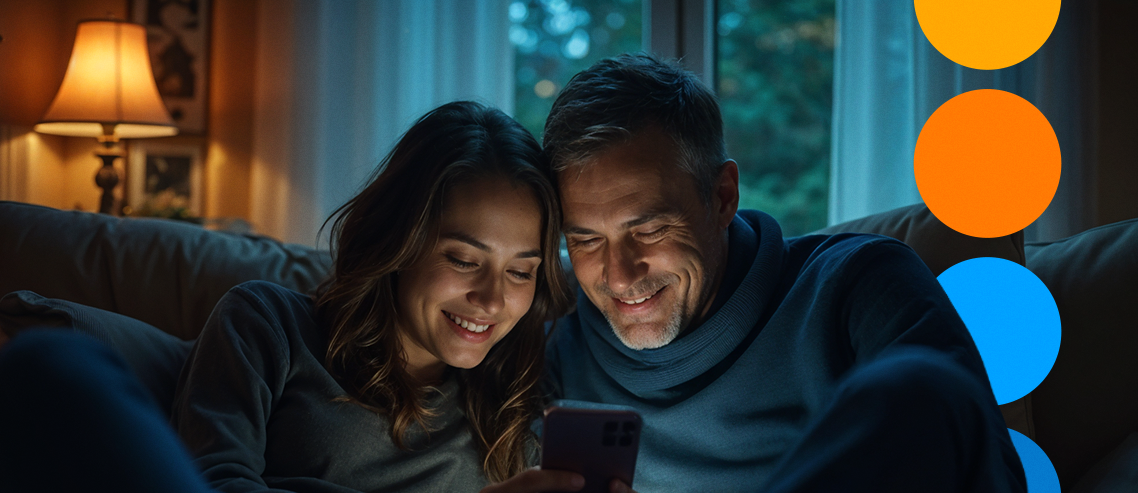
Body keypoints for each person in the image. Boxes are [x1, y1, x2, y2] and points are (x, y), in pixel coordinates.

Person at [483, 54, 1027, 493]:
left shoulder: (857, 284)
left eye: (648, 230)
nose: (620, 275)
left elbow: (987, 468)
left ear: (721, 197)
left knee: (920, 382)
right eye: (585, 240)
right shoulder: (553, 336)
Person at [0, 101, 578, 493]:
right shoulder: (269, 324)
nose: (492, 298)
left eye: (522, 272)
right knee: (54, 365)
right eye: (463, 259)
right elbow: (218, 481)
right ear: (399, 241)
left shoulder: (519, 401)